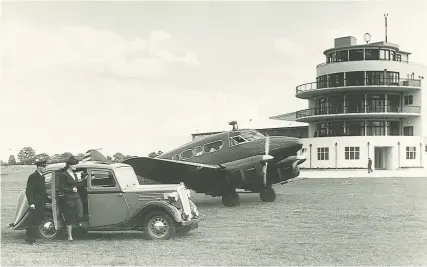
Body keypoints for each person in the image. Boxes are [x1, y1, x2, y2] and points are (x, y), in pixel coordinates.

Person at [57, 156, 83, 241]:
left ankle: (79, 228)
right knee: (69, 216)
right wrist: (70, 189)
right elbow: (60, 187)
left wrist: (84, 178)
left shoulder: (75, 174)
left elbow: (78, 185)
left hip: (76, 196)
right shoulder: (63, 175)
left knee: (80, 213)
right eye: (74, 165)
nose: (75, 166)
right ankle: (69, 236)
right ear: (70, 165)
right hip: (68, 198)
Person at [25, 159, 48, 245]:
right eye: (42, 166)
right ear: (38, 167)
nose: (44, 168)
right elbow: (29, 191)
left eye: (45, 166)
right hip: (35, 202)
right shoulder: (33, 176)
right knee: (33, 220)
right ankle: (31, 239)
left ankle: (31, 237)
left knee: (38, 219)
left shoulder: (42, 176)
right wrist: (31, 203)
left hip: (41, 202)